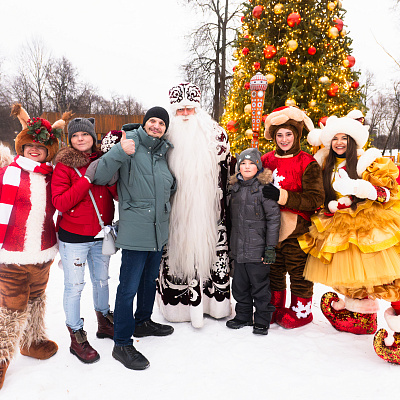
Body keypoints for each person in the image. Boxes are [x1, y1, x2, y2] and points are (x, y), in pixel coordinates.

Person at [299, 115, 400, 364]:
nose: (339, 142)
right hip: (338, 222)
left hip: (370, 222)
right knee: (347, 271)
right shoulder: (324, 166)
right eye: (335, 138)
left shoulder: (370, 161)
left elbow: (390, 193)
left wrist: (364, 190)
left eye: (344, 138)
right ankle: (360, 315)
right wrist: (331, 204)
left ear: (353, 140)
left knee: (386, 273)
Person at [91, 107, 176, 370]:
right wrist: (118, 151)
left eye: (161, 123)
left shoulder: (163, 152)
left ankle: (143, 321)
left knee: (149, 280)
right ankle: (122, 342)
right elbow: (101, 176)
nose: (156, 126)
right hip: (135, 231)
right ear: (144, 123)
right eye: (152, 121)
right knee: (127, 288)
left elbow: (168, 188)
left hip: (157, 231)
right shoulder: (129, 144)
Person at [0, 104, 69, 390]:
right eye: (31, 145)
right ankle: (1, 358)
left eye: (41, 146)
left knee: (37, 299)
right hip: (12, 254)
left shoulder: (52, 175)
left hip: (43, 252)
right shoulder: (8, 172)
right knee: (12, 306)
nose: (35, 149)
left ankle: (32, 341)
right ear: (23, 145)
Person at [156, 82, 231, 328]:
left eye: (190, 109)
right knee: (177, 256)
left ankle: (213, 306)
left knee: (209, 253)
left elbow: (228, 171)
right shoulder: (164, 137)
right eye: (180, 110)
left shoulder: (216, 134)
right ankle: (178, 310)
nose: (186, 114)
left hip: (209, 211)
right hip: (174, 212)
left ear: (198, 109)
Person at [52, 117, 117, 364]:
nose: (81, 139)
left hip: (101, 235)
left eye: (85, 135)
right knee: (74, 286)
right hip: (74, 238)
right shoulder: (63, 166)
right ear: (70, 140)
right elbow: (60, 202)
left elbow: (117, 196)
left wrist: (110, 179)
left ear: (93, 137)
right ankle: (76, 333)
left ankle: (104, 320)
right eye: (76, 135)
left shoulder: (102, 161)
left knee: (101, 281)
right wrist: (87, 179)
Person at [261, 106, 324, 329]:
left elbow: (315, 198)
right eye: (279, 135)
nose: (284, 139)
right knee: (274, 269)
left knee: (298, 271)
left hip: (298, 230)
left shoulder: (307, 162)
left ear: (296, 135)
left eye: (289, 134)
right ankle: (274, 306)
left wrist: (283, 196)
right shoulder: (266, 160)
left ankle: (301, 311)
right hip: (270, 229)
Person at [226, 148, 281, 335]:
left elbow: (274, 219)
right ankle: (243, 315)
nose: (247, 167)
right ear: (238, 167)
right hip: (239, 249)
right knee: (239, 286)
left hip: (258, 251)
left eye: (251, 163)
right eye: (243, 163)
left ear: (258, 167)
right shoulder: (235, 188)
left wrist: (270, 248)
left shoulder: (265, 189)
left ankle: (262, 319)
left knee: (260, 287)